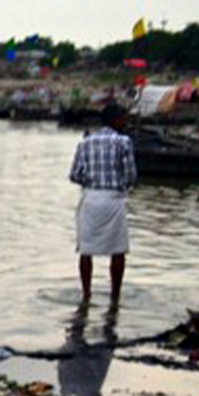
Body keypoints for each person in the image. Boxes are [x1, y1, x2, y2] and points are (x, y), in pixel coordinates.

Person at [69, 103, 137, 304]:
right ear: (116, 120)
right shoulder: (124, 142)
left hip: (90, 199)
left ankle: (86, 295)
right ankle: (115, 297)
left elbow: (74, 175)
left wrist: (91, 182)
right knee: (118, 250)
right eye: (123, 118)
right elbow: (131, 176)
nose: (125, 122)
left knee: (86, 250)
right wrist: (120, 184)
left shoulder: (85, 142)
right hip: (113, 200)